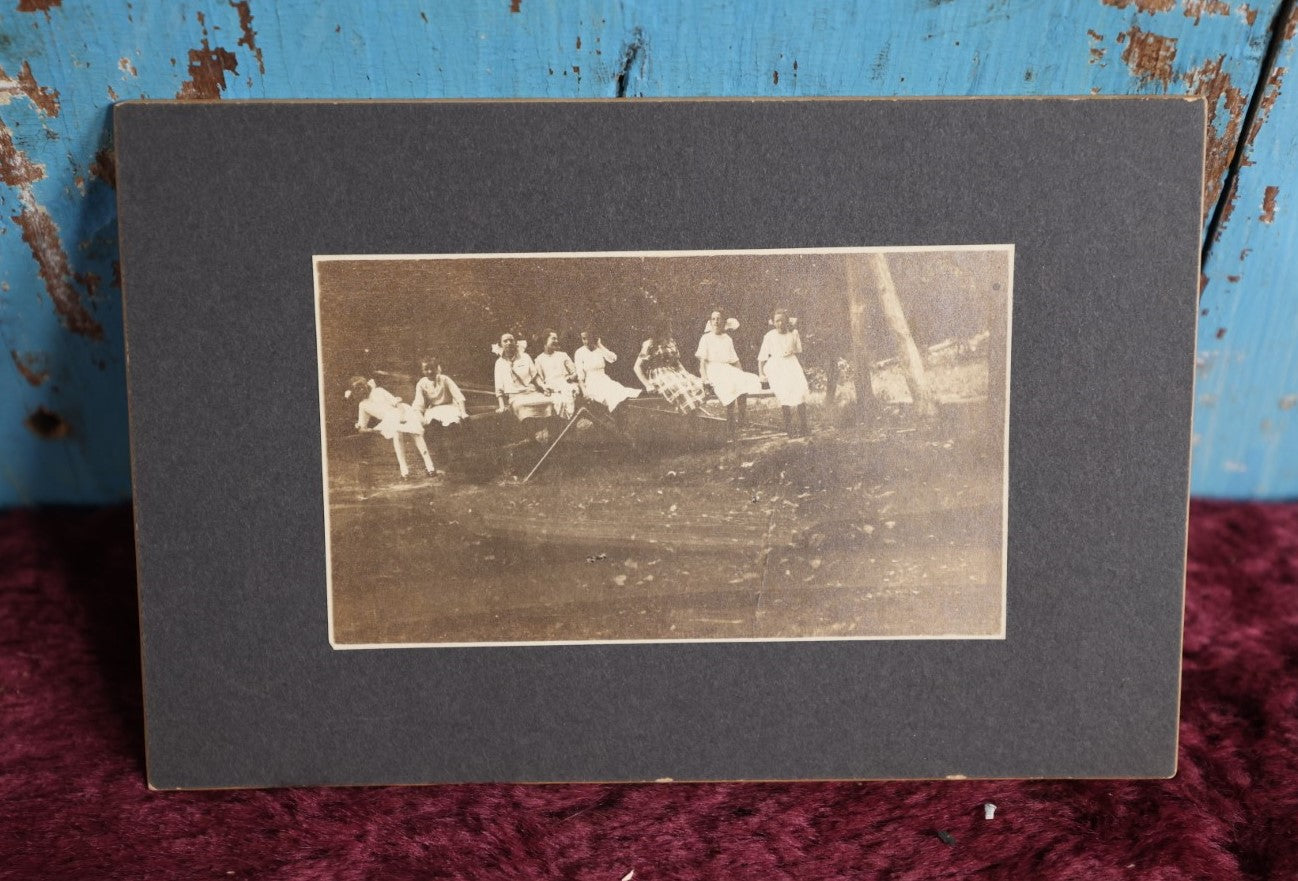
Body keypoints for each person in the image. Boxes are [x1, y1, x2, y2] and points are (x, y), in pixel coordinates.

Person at [348, 376, 437, 479]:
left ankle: (430, 467)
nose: (361, 390)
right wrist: (369, 430)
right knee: (397, 435)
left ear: (366, 385)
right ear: (354, 392)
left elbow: (396, 402)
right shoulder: (363, 405)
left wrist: (403, 416)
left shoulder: (378, 391)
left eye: (362, 386)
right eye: (357, 389)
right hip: (389, 420)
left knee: (416, 434)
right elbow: (362, 426)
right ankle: (405, 471)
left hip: (402, 411)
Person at [696, 308, 763, 438]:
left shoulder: (727, 338)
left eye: (719, 319)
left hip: (727, 368)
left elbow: (735, 360)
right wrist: (704, 378)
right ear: (710, 322)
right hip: (713, 369)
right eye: (713, 319)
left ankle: (743, 418)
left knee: (744, 380)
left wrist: (741, 374)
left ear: (724, 322)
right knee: (728, 385)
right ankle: (730, 421)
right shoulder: (706, 338)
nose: (716, 322)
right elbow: (702, 363)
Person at [758, 308, 811, 437]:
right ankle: (789, 428)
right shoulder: (770, 336)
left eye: (782, 321)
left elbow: (799, 352)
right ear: (773, 322)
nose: (780, 324)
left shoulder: (794, 334)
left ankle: (804, 427)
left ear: (787, 321)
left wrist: (802, 369)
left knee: (799, 390)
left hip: (791, 363)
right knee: (784, 392)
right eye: (777, 321)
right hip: (776, 366)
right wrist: (761, 374)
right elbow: (762, 357)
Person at [634, 324, 707, 416]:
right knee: (680, 389)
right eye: (665, 330)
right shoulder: (649, 344)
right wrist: (647, 385)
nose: (669, 332)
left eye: (669, 329)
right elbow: (637, 367)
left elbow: (677, 363)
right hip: (659, 375)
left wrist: (686, 374)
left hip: (675, 372)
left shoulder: (671, 342)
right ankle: (687, 417)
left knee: (697, 384)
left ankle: (693, 417)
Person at [574, 330, 640, 413]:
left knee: (621, 393)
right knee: (608, 398)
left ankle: (621, 421)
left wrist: (600, 345)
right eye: (584, 339)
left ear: (594, 338)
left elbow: (613, 359)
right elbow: (580, 377)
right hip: (591, 384)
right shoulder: (579, 352)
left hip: (604, 380)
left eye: (589, 338)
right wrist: (585, 392)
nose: (586, 342)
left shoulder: (599, 349)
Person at [493, 332, 554, 421]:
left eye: (511, 340)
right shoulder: (499, 363)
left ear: (515, 343)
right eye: (505, 341)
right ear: (501, 345)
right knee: (521, 408)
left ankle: (545, 431)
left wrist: (544, 387)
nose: (509, 343)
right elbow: (499, 388)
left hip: (532, 393)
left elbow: (535, 376)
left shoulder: (525, 357)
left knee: (549, 402)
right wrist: (502, 406)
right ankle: (532, 432)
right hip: (516, 397)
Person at [534, 330, 579, 420]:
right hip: (551, 388)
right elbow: (539, 378)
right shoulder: (539, 359)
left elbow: (575, 372)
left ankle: (569, 425)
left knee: (568, 396)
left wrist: (571, 378)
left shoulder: (562, 355)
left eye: (557, 339)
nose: (556, 341)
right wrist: (544, 387)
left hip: (566, 383)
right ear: (545, 341)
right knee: (557, 401)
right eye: (553, 339)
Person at [412, 356, 468, 428]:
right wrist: (420, 418)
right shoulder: (421, 383)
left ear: (436, 368)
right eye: (426, 369)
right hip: (433, 409)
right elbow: (418, 403)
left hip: (450, 407)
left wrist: (463, 412)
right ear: (422, 371)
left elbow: (458, 396)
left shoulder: (444, 379)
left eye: (432, 368)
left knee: (452, 422)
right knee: (433, 423)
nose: (430, 371)